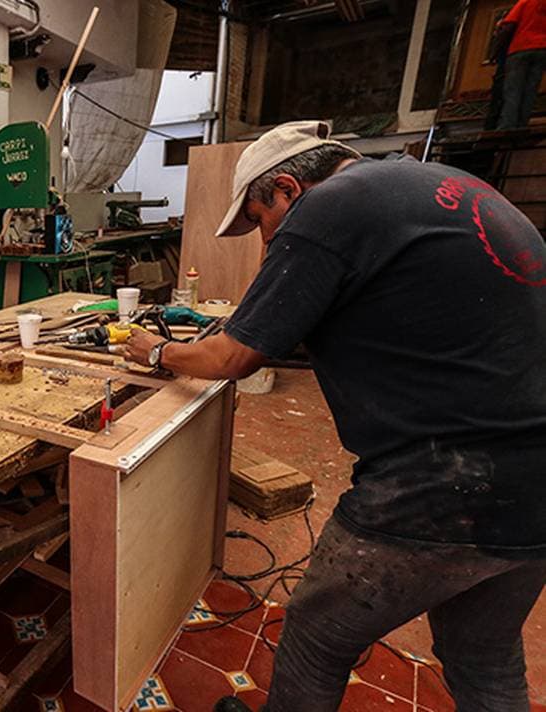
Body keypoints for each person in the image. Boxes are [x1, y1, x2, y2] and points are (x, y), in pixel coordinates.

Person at [123, 120, 546, 711]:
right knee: (484, 658)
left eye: (260, 220)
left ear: (288, 189)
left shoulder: (328, 208)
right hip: (534, 485)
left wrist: (158, 351)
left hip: (445, 481)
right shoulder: (432, 186)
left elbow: (234, 358)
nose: (267, 240)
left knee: (316, 639)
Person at [497, 0, 546, 130]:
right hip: (542, 49)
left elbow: (509, 26)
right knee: (530, 90)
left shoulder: (526, 2)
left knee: (513, 89)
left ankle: (508, 126)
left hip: (520, 48)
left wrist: (497, 50)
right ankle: (522, 125)